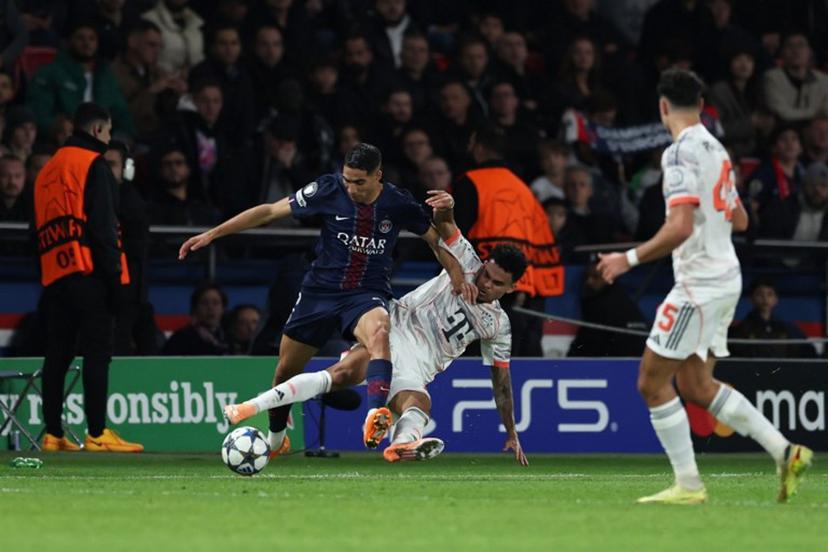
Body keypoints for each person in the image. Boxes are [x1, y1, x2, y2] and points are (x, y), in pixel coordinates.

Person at [597, 68, 811, 505]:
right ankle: (786, 451)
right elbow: (742, 219)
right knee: (696, 385)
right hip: (727, 278)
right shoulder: (719, 150)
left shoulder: (679, 154)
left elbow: (678, 226)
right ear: (701, 105)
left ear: (662, 108)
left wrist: (628, 258)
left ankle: (689, 485)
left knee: (651, 382)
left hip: (698, 285)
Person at [179, 143, 471, 456]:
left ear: (378, 176)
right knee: (284, 373)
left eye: (360, 182)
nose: (351, 188)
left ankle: (375, 413)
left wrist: (455, 270)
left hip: (365, 293)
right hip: (319, 293)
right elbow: (269, 211)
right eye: (348, 180)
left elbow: (434, 239)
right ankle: (276, 440)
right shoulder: (328, 189)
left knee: (380, 332)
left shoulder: (397, 203)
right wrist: (212, 234)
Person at [224, 190, 528, 466]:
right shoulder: (467, 261)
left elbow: (501, 382)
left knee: (419, 404)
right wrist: (447, 207)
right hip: (395, 328)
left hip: (420, 366)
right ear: (484, 263)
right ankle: (249, 406)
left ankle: (400, 445)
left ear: (513, 288)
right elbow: (445, 225)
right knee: (340, 375)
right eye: (486, 274)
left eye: (497, 283)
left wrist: (511, 432)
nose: (485, 283)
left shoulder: (498, 326)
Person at [33, 102, 143, 453]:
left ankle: (53, 433)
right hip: (91, 273)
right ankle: (97, 433)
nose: (108, 139)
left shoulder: (47, 170)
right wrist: (116, 281)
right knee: (97, 353)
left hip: (55, 274)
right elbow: (103, 229)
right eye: (108, 132)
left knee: (58, 355)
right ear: (97, 130)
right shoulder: (93, 165)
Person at [453, 126, 564, 356]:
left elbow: (453, 237)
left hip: (482, 289)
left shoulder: (471, 182)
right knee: (523, 361)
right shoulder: (523, 188)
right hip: (526, 291)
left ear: (479, 148)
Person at [729, 279, 816, 359]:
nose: (765, 299)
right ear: (751, 299)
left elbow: (806, 350)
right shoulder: (741, 330)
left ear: (775, 299)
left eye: (769, 294)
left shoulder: (787, 329)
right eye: (759, 294)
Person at [163, 282, 229, 355]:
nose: (210, 308)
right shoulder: (181, 338)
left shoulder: (229, 338)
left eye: (216, 303)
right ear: (195, 308)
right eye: (204, 303)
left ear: (223, 309)